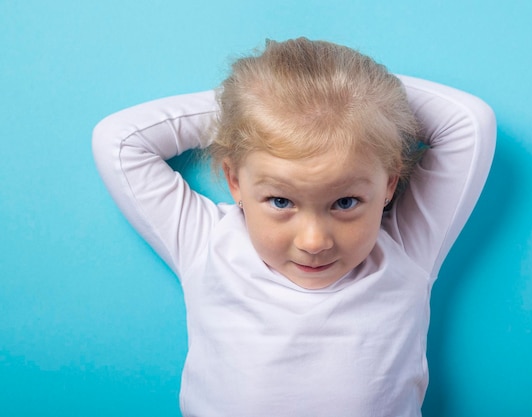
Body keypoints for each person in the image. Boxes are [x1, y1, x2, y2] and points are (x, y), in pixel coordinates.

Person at [92, 37, 496, 417]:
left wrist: (353, 101)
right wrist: (252, 107)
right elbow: (119, 142)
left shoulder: (406, 249)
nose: (314, 242)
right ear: (235, 182)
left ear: (389, 184)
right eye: (281, 202)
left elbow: (470, 123)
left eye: (346, 202)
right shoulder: (206, 243)